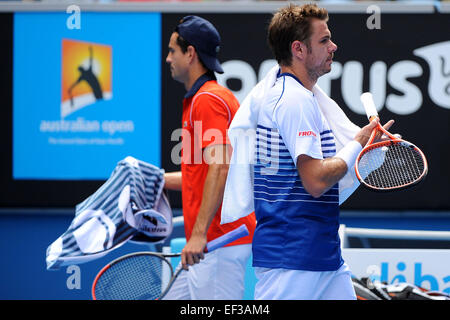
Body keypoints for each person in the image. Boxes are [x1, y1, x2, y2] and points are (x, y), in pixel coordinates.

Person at [251, 4, 393, 300]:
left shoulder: (299, 97)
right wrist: (358, 145)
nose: (333, 46)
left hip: (322, 256)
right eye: (324, 40)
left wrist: (361, 146)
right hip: (292, 261)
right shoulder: (294, 101)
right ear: (299, 49)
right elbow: (315, 182)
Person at [162, 15, 256, 300]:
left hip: (216, 242)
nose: (168, 59)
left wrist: (200, 233)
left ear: (190, 53)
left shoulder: (207, 100)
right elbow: (199, 174)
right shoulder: (207, 98)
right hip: (207, 243)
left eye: (172, 51)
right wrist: (158, 179)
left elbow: (221, 165)